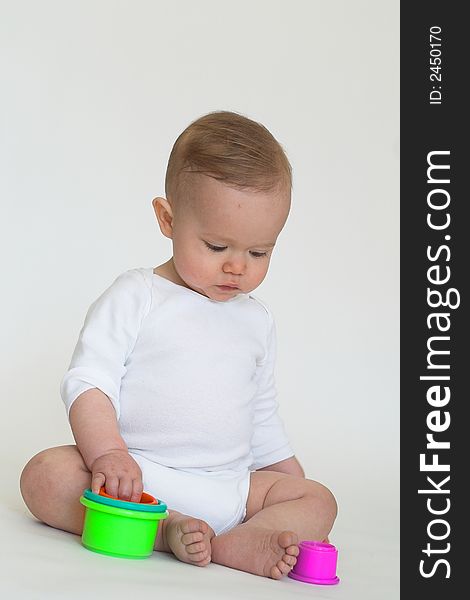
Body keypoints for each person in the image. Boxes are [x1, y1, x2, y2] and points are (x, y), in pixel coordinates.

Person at [20, 110, 337, 580]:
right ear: (167, 219)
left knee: (319, 499)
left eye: (258, 252)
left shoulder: (256, 318)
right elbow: (90, 381)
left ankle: (235, 542)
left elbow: (262, 414)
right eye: (215, 246)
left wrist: (293, 490)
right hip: (136, 484)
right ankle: (166, 530)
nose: (237, 268)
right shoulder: (138, 295)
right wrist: (109, 454)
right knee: (45, 474)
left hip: (229, 488)